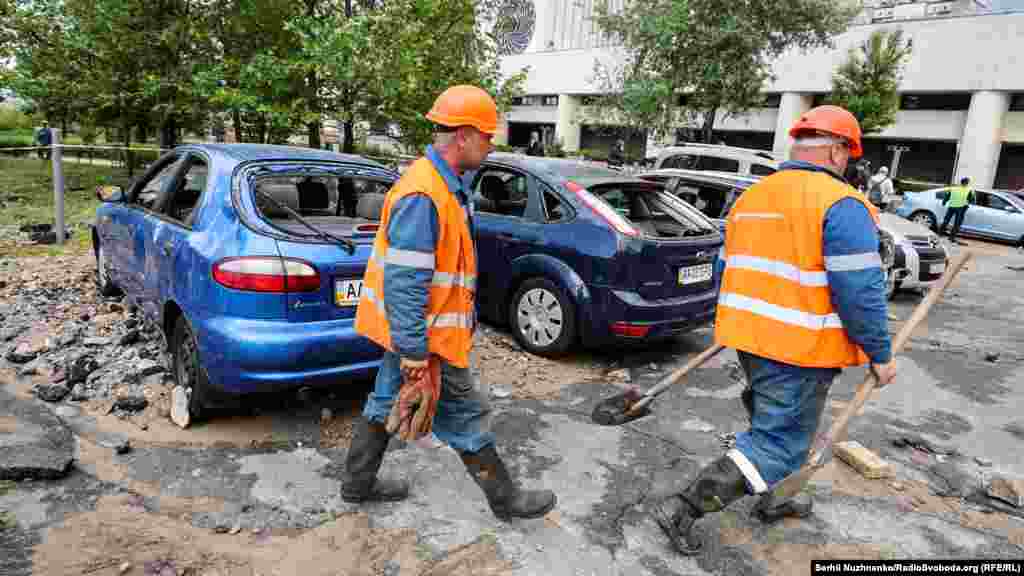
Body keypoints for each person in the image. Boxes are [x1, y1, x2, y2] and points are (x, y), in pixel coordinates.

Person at [650, 105, 897, 555]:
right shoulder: (842, 206)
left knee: (775, 426)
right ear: (840, 153)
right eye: (851, 155)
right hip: (797, 349)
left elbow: (729, 268)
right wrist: (880, 353)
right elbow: (860, 292)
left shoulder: (753, 198)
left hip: (749, 339)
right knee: (780, 442)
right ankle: (682, 508)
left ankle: (774, 498)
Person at [345, 85, 557, 520]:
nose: (492, 142)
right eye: (487, 134)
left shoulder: (444, 186)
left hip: (424, 334)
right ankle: (506, 499)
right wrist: (416, 355)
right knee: (466, 416)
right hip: (430, 339)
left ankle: (356, 484)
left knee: (385, 403)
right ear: (462, 136)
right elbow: (405, 283)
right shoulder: (425, 195)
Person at [937, 177, 974, 245]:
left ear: (961, 182)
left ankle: (939, 233)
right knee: (957, 223)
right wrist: (968, 204)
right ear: (967, 183)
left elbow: (947, 195)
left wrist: (944, 202)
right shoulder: (969, 190)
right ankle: (951, 238)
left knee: (946, 220)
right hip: (961, 208)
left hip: (951, 206)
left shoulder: (954, 188)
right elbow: (971, 199)